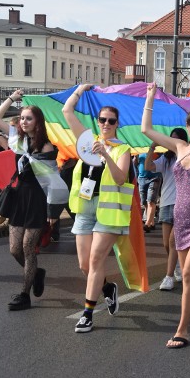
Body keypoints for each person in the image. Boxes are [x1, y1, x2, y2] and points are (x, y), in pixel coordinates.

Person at [141, 83, 190, 349]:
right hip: (181, 219)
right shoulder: (178, 146)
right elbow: (146, 130)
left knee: (187, 273)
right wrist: (150, 98)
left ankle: (182, 330)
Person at [62, 84, 133, 333]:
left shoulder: (123, 149)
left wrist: (107, 154)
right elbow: (67, 111)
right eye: (102, 119)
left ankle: (87, 314)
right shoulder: (88, 141)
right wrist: (80, 89)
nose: (105, 123)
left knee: (95, 260)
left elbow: (121, 178)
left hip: (109, 211)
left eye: (110, 121)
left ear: (117, 124)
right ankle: (107, 289)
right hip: (86, 207)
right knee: (84, 265)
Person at [0, 90, 68, 310]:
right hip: (19, 198)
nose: (24, 122)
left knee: (27, 247)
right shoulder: (17, 140)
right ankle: (36, 272)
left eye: (28, 118)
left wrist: (52, 212)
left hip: (37, 200)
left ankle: (24, 295)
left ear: (38, 122)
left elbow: (52, 181)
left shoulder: (46, 147)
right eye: (22, 118)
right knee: (14, 249)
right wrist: (11, 99)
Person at [145, 127, 189, 291]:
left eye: (176, 138)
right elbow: (148, 166)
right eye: (171, 138)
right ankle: (177, 266)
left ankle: (169, 276)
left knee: (173, 241)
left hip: (183, 204)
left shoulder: (187, 156)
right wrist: (152, 147)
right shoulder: (166, 158)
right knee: (166, 243)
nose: (173, 141)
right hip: (166, 203)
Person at [135, 152, 161, 232]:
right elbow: (136, 163)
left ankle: (147, 223)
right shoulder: (140, 149)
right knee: (144, 202)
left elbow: (160, 161)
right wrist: (136, 158)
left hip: (154, 178)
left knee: (151, 201)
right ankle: (151, 222)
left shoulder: (157, 149)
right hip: (142, 178)